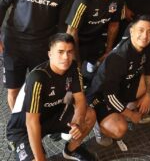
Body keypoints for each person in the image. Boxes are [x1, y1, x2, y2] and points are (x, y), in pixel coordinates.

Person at [0, 0, 75, 110]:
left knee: (39, 89)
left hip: (41, 47)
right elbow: (3, 3)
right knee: (13, 91)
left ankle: (41, 123)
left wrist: (58, 51)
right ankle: (18, 130)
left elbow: (62, 26)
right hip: (14, 45)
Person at [6, 33, 97, 161]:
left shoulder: (73, 67)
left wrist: (77, 121)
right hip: (23, 129)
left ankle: (71, 150)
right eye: (60, 52)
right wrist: (40, 159)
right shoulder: (37, 78)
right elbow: (31, 122)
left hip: (52, 116)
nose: (65, 57)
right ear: (50, 54)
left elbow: (80, 99)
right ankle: (16, 145)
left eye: (69, 52)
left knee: (89, 114)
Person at [86, 15, 150, 146]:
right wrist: (132, 116)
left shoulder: (147, 46)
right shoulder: (118, 58)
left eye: (149, 32)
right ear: (131, 31)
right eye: (141, 30)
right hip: (102, 97)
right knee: (119, 130)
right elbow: (109, 96)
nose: (145, 36)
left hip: (124, 87)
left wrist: (149, 95)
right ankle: (99, 124)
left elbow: (149, 71)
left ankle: (126, 109)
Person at [66, 0, 124, 79]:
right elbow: (72, 32)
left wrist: (108, 51)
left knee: (99, 74)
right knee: (75, 74)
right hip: (77, 42)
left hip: (96, 40)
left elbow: (114, 25)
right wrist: (76, 61)